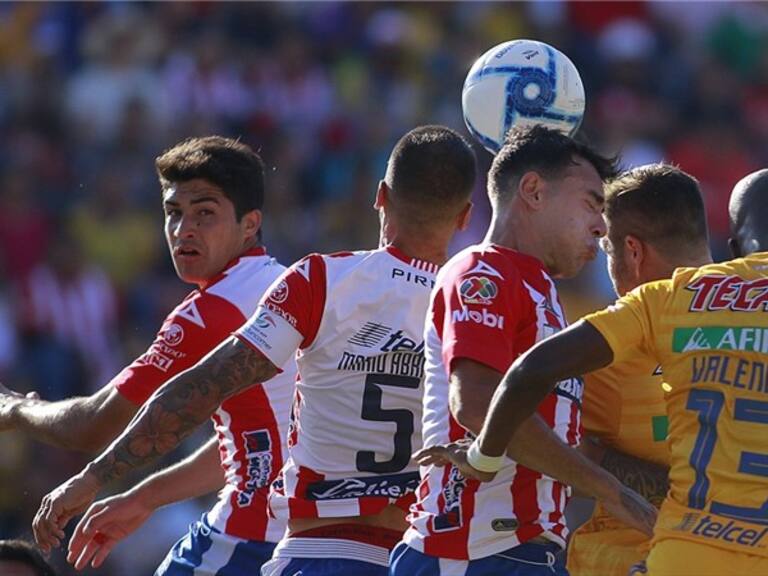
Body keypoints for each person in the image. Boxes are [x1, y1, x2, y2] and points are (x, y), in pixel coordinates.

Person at [33, 125, 478, 575]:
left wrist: (93, 476)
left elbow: (201, 390)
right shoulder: (473, 309)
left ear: (380, 197)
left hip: (314, 550)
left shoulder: (322, 283)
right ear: (464, 216)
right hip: (413, 557)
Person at [442, 167, 768, 575]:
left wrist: (483, 454)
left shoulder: (641, 318)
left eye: (607, 249)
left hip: (646, 557)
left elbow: (533, 424)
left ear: (632, 250)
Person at [2, 136, 294, 574]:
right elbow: (251, 445)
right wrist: (143, 498)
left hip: (252, 538)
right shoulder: (290, 286)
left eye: (205, 214)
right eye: (173, 213)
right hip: (312, 538)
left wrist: (16, 409)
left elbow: (93, 423)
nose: (184, 230)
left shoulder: (209, 313)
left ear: (250, 224)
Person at [391, 126, 657, 576]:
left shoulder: (545, 294)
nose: (600, 225)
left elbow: (562, 444)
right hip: (473, 553)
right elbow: (477, 403)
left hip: (524, 551)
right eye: (592, 202)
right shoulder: (486, 271)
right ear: (533, 190)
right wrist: (612, 492)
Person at [565, 164, 712, 575]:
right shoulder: (753, 322)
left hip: (620, 560)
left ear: (633, 250)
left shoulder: (603, 348)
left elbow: (546, 449)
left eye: (608, 251)